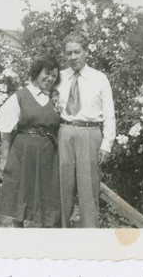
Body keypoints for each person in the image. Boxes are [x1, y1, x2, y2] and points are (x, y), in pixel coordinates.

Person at [57, 32, 116, 228]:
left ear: (86, 52)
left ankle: (89, 236)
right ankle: (60, 232)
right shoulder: (59, 77)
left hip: (90, 134)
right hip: (64, 132)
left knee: (88, 190)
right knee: (62, 188)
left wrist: (107, 144)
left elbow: (109, 114)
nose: (73, 57)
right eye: (68, 53)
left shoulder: (99, 78)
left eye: (77, 52)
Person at [0, 58, 61, 228]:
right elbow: (6, 130)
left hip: (48, 153)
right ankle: (18, 231)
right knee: (21, 190)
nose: (50, 78)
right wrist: (4, 159)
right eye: (47, 73)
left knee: (47, 191)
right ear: (37, 73)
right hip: (22, 152)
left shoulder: (56, 99)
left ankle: (45, 230)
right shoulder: (20, 97)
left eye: (54, 75)